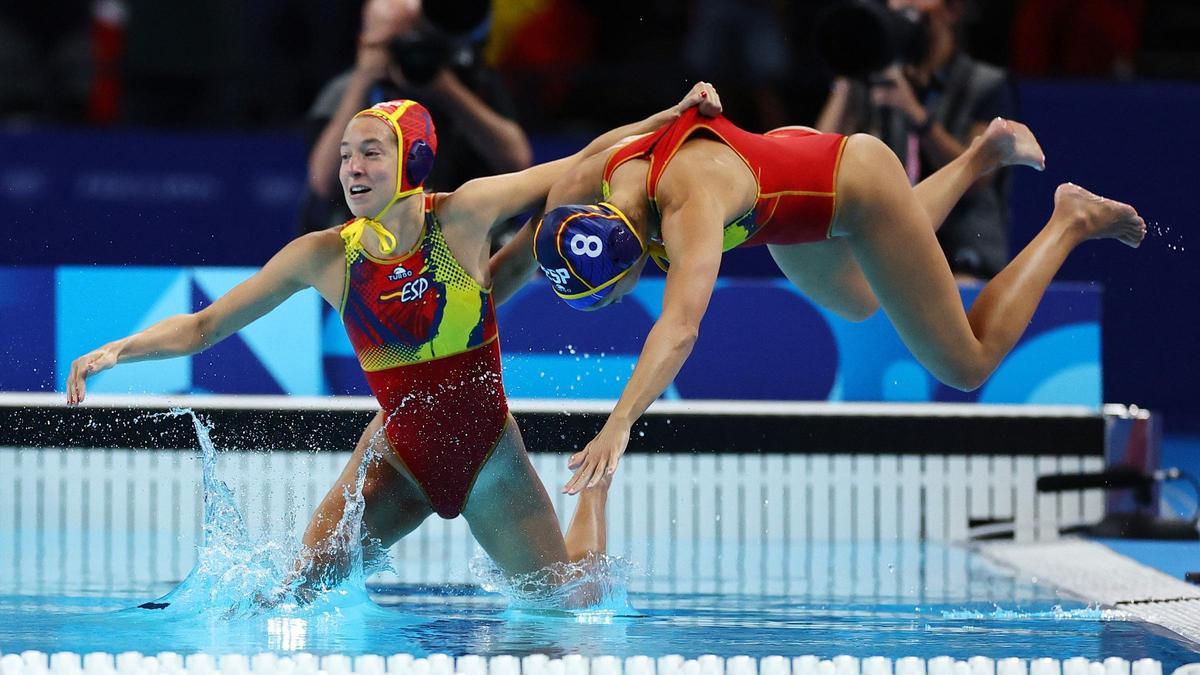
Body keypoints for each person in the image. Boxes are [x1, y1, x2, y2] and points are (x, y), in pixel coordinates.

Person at [64, 84, 715, 597]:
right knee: (296, 593)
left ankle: (593, 496)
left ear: (414, 159)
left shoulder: (462, 215)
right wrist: (118, 350)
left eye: (370, 151)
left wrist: (672, 116)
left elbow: (579, 166)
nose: (352, 167)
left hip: (491, 459)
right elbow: (205, 325)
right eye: (347, 153)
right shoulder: (323, 256)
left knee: (566, 608)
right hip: (398, 458)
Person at [496, 91, 1144, 496]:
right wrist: (423, 343)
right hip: (787, 191)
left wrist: (619, 423)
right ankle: (982, 155)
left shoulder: (687, 205)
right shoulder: (578, 189)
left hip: (854, 180)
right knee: (865, 299)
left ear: (635, 253)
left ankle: (1071, 219)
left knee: (965, 363)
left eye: (618, 295)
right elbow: (513, 262)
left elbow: (680, 327)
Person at [815, 0, 1017, 280]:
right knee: (840, 289)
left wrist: (916, 115)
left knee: (957, 291)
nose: (901, 6)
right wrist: (849, 76)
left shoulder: (985, 83)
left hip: (962, 244)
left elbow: (980, 176)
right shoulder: (871, 79)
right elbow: (818, 163)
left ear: (952, 11)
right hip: (886, 244)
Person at [301, 0, 532, 234]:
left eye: (417, 40)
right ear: (365, 43)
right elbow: (322, 181)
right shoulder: (344, 92)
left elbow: (517, 159)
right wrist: (364, 80)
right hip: (371, 244)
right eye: (395, 43)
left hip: (462, 236)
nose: (409, 51)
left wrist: (446, 90)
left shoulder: (472, 81)